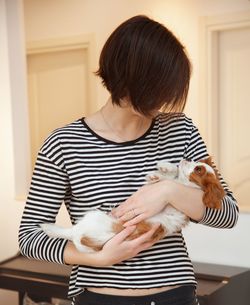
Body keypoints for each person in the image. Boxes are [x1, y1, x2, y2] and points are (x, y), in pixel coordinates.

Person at [19, 15, 239, 305]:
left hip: (176, 296)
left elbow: (228, 213)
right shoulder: (63, 143)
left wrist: (167, 191)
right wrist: (98, 258)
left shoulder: (180, 129)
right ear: (127, 77)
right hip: (100, 298)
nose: (164, 100)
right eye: (158, 88)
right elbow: (30, 236)